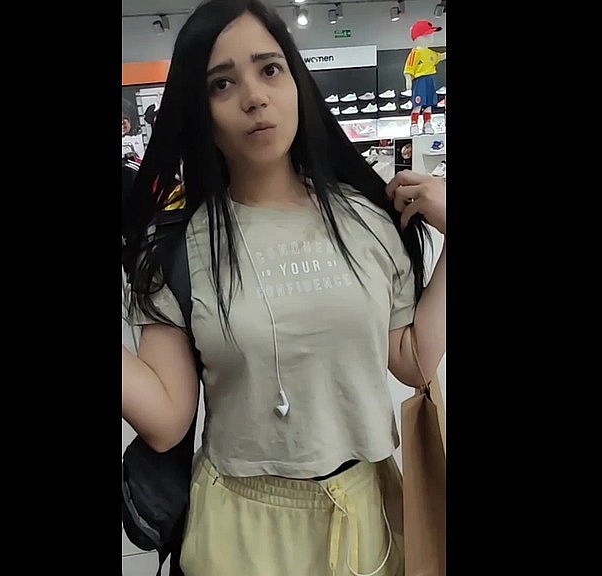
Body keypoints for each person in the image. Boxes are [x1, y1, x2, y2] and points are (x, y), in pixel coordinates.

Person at [121, 1, 446, 574]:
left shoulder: (367, 219)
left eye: (269, 69)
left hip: (365, 515)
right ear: (200, 109)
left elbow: (411, 360)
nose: (254, 97)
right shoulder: (179, 247)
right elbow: (168, 418)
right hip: (240, 525)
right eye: (222, 83)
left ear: (296, 82)